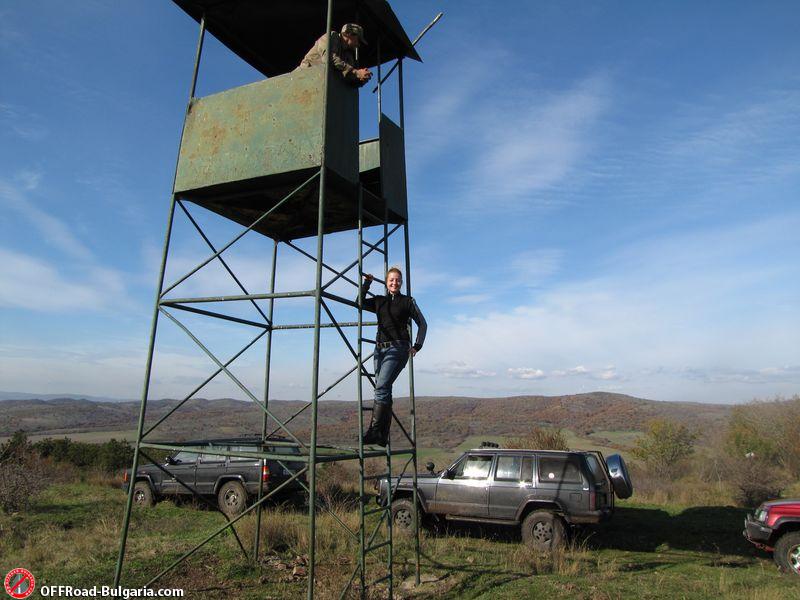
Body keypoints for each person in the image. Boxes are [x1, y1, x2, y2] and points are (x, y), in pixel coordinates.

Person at [359, 267, 426, 446]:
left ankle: (374, 432)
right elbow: (359, 302)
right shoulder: (379, 301)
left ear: (401, 282)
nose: (394, 283)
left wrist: (417, 346)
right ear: (386, 282)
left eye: (397, 280)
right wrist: (367, 283)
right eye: (391, 280)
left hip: (399, 347)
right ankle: (382, 436)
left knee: (381, 387)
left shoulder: (407, 301)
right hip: (379, 349)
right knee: (383, 389)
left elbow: (422, 323)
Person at [297, 23, 373, 86]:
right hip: (303, 77)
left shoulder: (348, 54)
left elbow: (349, 76)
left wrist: (361, 78)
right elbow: (328, 57)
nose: (358, 44)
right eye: (358, 40)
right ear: (349, 34)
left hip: (319, 82)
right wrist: (356, 72)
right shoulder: (333, 36)